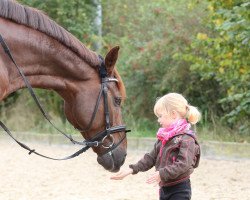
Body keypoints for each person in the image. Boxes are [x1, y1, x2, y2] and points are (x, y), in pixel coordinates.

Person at [111, 93, 201, 200]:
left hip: (180, 189)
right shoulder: (164, 137)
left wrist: (162, 174)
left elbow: (183, 164)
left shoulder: (187, 138)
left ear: (173, 114)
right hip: (164, 188)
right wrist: (131, 169)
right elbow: (150, 158)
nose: (158, 120)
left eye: (160, 116)